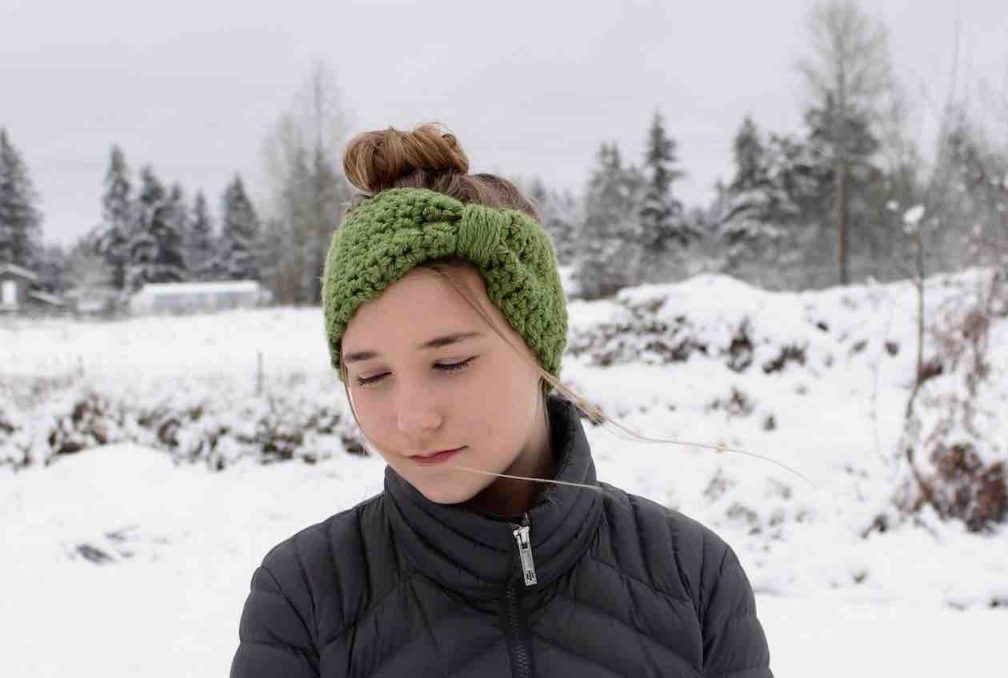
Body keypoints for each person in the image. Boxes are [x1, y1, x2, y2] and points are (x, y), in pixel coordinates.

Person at [229, 122, 772, 677]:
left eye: (451, 363)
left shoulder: (693, 577)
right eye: (370, 376)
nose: (413, 419)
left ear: (537, 350)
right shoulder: (305, 598)